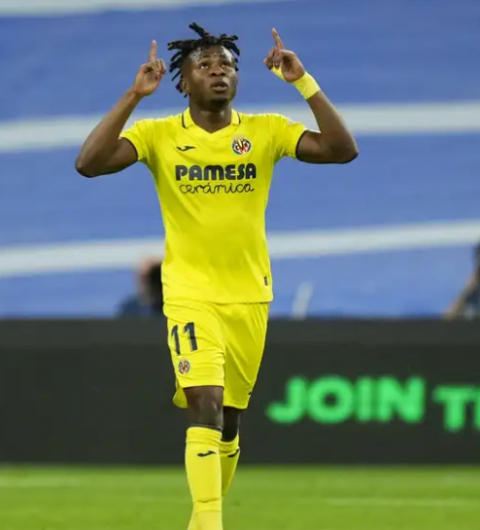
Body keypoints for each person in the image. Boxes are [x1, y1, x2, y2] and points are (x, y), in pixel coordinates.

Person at [76, 23, 357, 530]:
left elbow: (342, 149)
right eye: (204, 65)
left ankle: (201, 516)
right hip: (189, 295)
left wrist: (303, 81)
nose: (218, 72)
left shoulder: (266, 130)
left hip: (249, 296)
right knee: (203, 402)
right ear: (183, 81)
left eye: (226, 64)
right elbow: (89, 164)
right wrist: (133, 96)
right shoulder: (158, 135)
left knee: (228, 420)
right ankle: (210, 524)